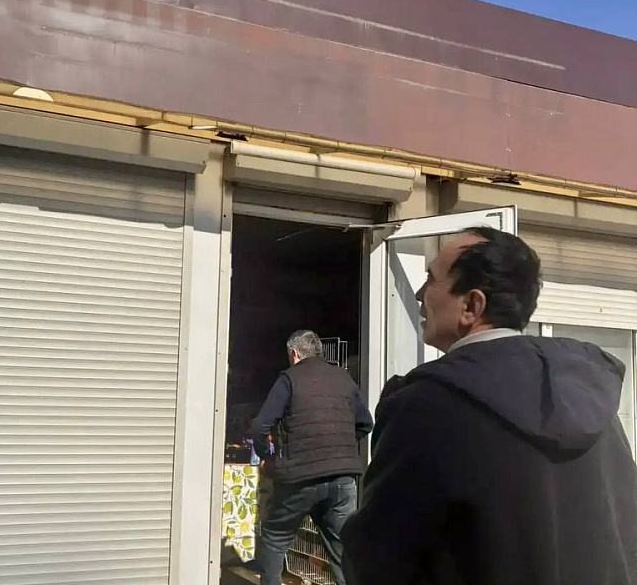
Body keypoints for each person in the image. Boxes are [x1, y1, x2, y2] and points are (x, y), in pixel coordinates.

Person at [342, 227, 637, 585]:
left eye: (431, 279)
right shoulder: (588, 393)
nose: (419, 294)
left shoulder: (428, 405)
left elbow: (379, 556)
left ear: (471, 306)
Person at [250, 329, 374, 585]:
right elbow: (366, 423)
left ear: (294, 353)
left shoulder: (289, 378)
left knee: (274, 538)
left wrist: (267, 457)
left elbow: (260, 426)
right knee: (343, 551)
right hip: (342, 479)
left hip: (299, 477)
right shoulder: (343, 378)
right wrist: (339, 447)